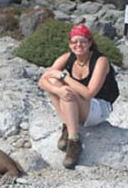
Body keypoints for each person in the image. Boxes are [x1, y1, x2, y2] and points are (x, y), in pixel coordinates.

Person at [38, 24, 119, 169]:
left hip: (99, 107)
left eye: (83, 41)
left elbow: (89, 93)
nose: (78, 45)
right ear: (69, 44)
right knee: (54, 83)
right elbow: (42, 80)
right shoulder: (67, 58)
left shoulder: (101, 61)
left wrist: (65, 77)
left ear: (89, 42)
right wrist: (57, 90)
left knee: (66, 89)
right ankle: (67, 126)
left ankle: (74, 142)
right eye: (74, 41)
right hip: (80, 105)